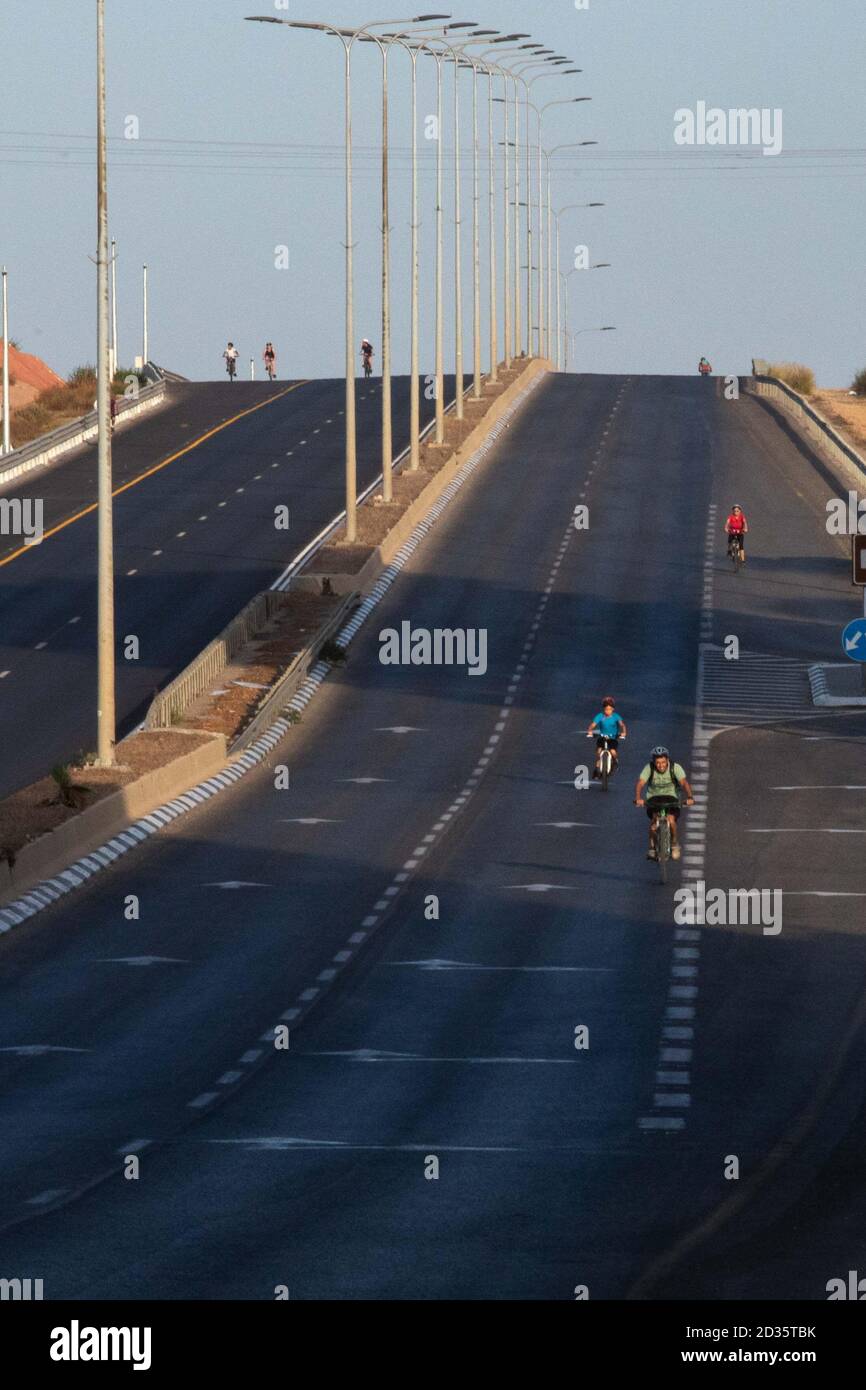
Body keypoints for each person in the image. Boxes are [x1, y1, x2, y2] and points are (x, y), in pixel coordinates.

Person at [635, 747, 694, 861]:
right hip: (654, 799)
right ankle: (652, 847)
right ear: (654, 762)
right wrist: (638, 798)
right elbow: (640, 783)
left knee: (671, 821)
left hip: (672, 799)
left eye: (663, 762)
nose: (660, 765)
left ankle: (674, 843)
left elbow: (684, 783)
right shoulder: (649, 768)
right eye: (657, 762)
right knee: (653, 824)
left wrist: (690, 797)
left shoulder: (675, 768)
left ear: (667, 760)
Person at [586, 696, 627, 778]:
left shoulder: (616, 716)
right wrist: (590, 731)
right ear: (603, 709)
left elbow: (622, 725)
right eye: (606, 709)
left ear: (613, 709)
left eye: (610, 709)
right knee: (599, 751)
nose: (608, 711)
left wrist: (624, 732)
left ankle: (615, 761)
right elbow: (593, 725)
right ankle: (597, 767)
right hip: (602, 737)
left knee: (612, 751)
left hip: (612, 738)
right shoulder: (600, 716)